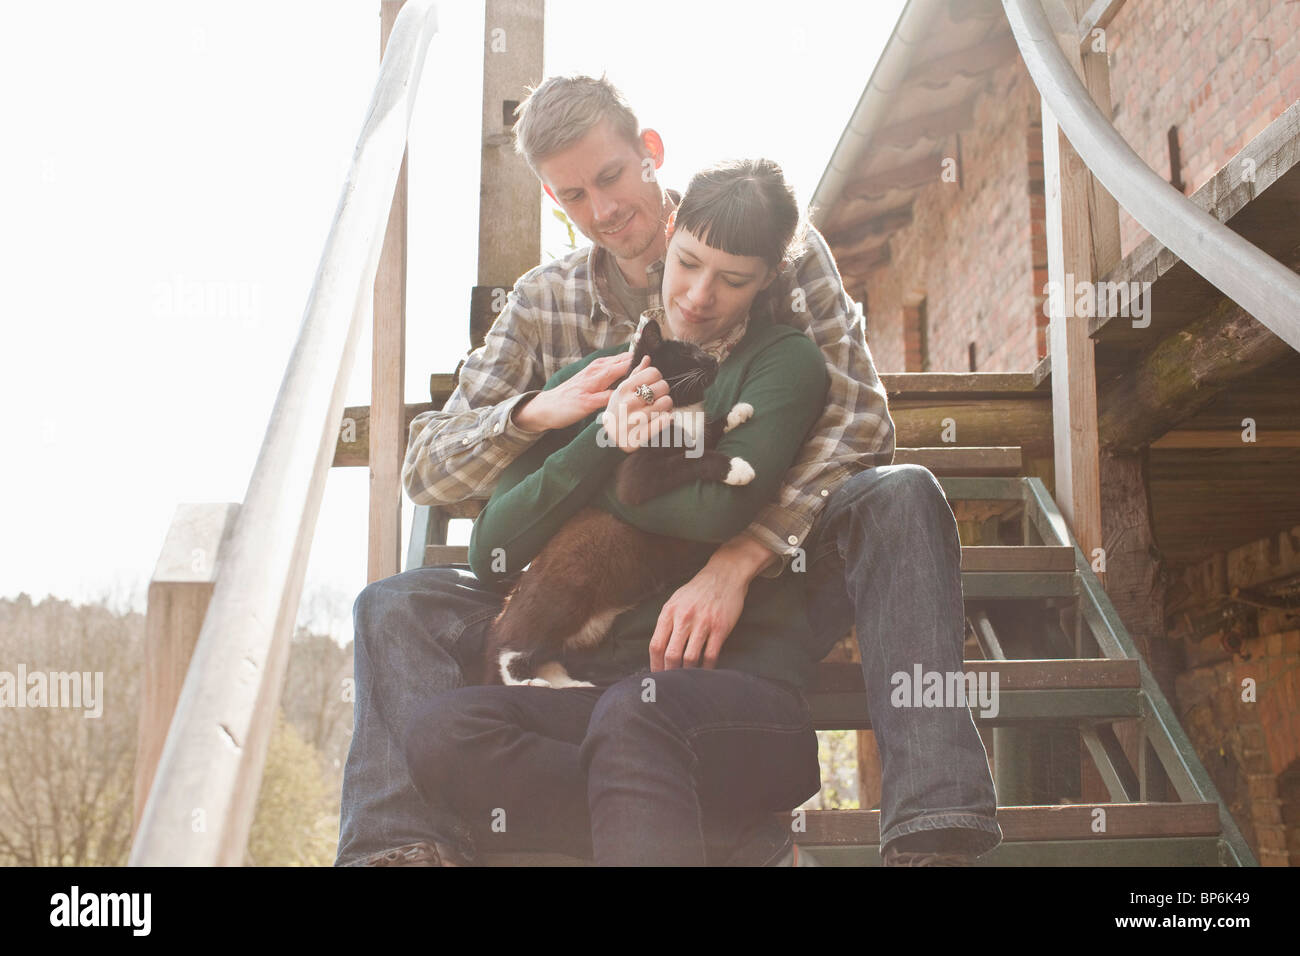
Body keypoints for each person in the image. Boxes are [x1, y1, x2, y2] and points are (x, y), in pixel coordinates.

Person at [335, 74, 1001, 868]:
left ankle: (934, 832)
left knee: (902, 496)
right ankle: (399, 846)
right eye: (575, 195)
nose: (604, 209)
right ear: (555, 203)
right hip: (593, 583)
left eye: (612, 177)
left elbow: (861, 421)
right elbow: (426, 469)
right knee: (395, 604)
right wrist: (536, 413)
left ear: (651, 154)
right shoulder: (544, 303)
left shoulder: (771, 243)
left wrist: (742, 554)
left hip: (761, 576)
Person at [400, 159, 829, 866]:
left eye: (734, 278)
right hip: (598, 689)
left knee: (640, 716)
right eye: (688, 262)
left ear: (768, 279)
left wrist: (627, 472)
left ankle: (674, 807)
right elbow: (494, 547)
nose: (698, 294)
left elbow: (714, 510)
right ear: (668, 237)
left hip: (726, 693)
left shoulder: (781, 363)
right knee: (441, 734)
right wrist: (603, 436)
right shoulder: (598, 378)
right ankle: (696, 822)